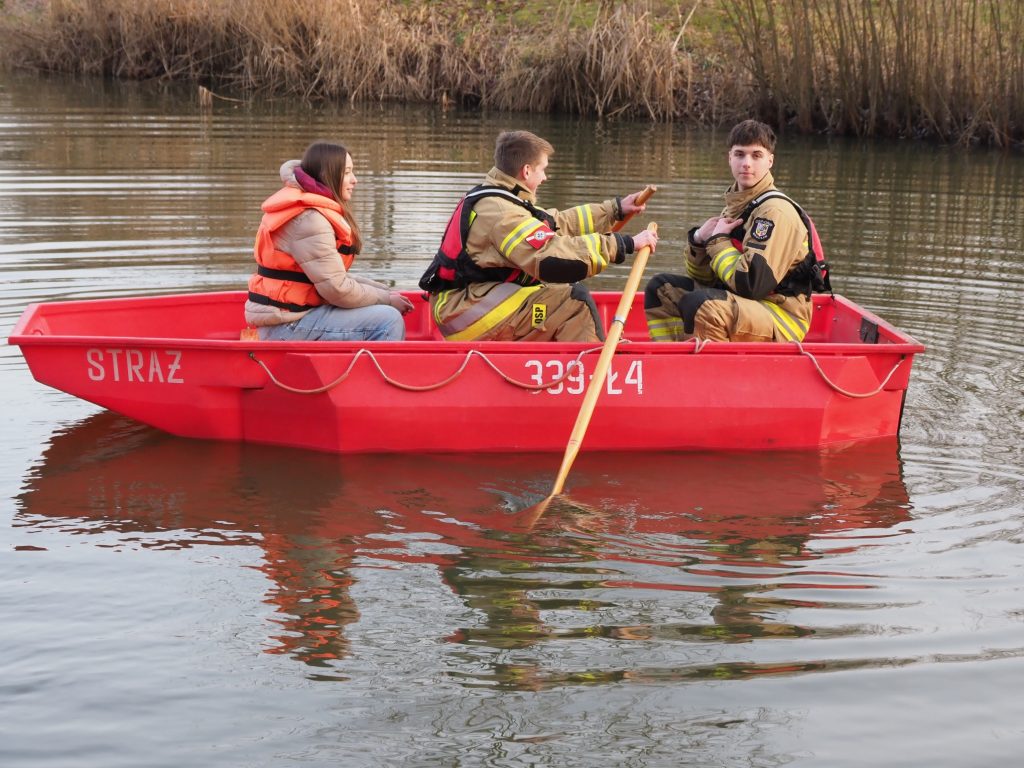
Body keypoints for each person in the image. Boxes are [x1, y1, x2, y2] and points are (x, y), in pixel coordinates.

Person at [418, 130, 658, 342]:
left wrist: (614, 210)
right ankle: (589, 370)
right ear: (526, 170)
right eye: (543, 169)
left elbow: (556, 223)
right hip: (467, 314)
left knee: (557, 290)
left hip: (466, 304)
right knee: (574, 300)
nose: (545, 177)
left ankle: (557, 356)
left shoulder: (500, 197)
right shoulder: (503, 213)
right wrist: (625, 244)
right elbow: (548, 255)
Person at [644, 119, 816, 343]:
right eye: (739, 154)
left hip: (781, 316)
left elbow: (752, 285)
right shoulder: (736, 207)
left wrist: (718, 241)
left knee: (703, 305)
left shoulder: (775, 212)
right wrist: (699, 241)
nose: (746, 163)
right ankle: (668, 356)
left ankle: (704, 363)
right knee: (662, 289)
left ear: (770, 161)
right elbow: (704, 278)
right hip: (746, 304)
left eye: (756, 155)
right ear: (730, 158)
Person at [245, 141, 414, 341]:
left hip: (289, 318)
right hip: (287, 326)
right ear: (327, 175)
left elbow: (333, 277)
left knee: (384, 308)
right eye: (347, 172)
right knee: (389, 320)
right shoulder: (310, 220)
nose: (354, 180)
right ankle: (375, 363)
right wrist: (386, 300)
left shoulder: (308, 211)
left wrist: (385, 293)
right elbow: (336, 289)